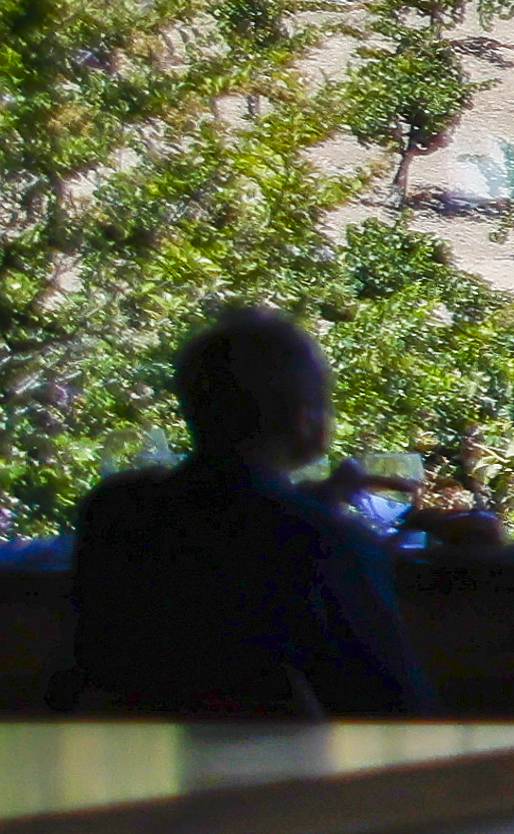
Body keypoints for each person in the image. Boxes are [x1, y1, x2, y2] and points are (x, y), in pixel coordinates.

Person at [56, 302, 428, 718]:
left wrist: (313, 505)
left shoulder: (115, 512)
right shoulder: (326, 543)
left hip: (134, 769)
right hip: (282, 775)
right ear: (309, 423)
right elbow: (398, 710)